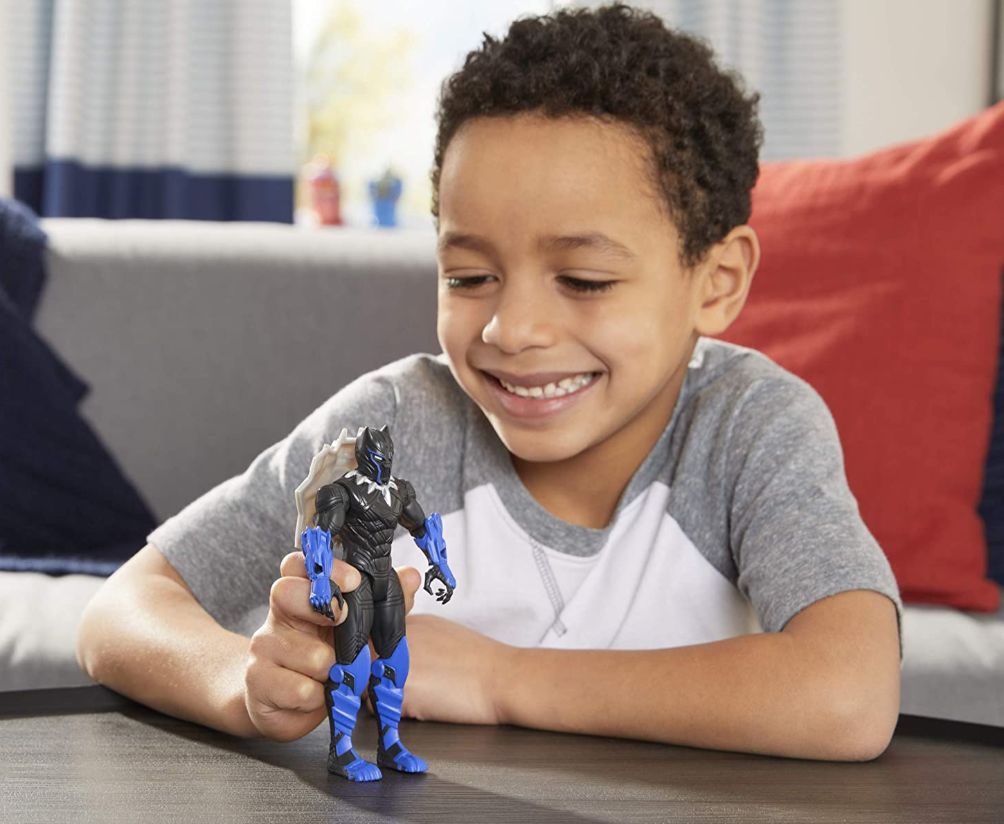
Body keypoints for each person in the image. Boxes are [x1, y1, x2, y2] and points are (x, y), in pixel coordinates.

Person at [76, 3, 903, 763]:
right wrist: (245, 685)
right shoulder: (392, 428)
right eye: (470, 277)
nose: (512, 330)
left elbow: (850, 694)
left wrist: (500, 679)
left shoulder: (749, 426)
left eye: (582, 280)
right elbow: (123, 610)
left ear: (716, 283)